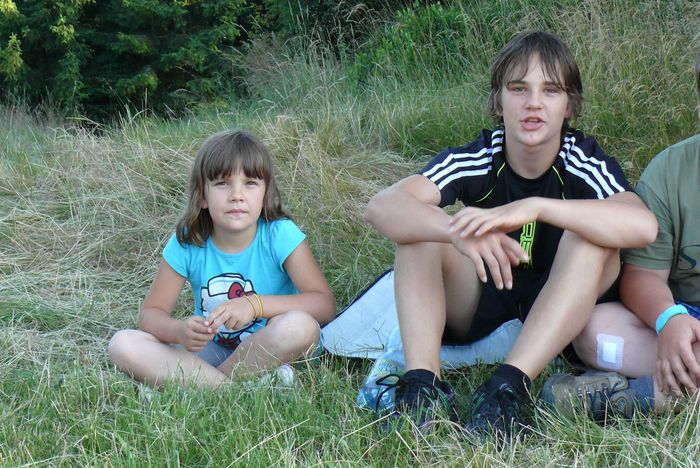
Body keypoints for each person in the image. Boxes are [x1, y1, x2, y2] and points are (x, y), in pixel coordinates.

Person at [364, 30, 657, 440]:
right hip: (485, 295)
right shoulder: (481, 155)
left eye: (550, 90)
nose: (533, 102)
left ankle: (507, 389)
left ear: (570, 106)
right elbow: (382, 206)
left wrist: (538, 207)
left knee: (592, 237)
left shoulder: (581, 159)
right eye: (519, 88)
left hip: (561, 309)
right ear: (498, 102)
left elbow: (643, 226)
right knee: (420, 229)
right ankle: (422, 387)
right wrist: (456, 232)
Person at [108, 129, 336, 389]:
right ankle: (233, 389)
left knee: (300, 326)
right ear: (202, 196)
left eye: (250, 183)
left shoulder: (280, 235)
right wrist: (179, 331)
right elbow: (151, 314)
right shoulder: (188, 241)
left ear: (265, 194)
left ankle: (206, 385)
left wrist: (254, 305)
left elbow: (324, 304)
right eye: (222, 183)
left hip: (273, 348)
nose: (237, 195)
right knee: (123, 344)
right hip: (214, 349)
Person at [542, 47, 700, 421]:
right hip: (688, 322)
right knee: (592, 329)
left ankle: (649, 396)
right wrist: (668, 319)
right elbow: (643, 276)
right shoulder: (670, 170)